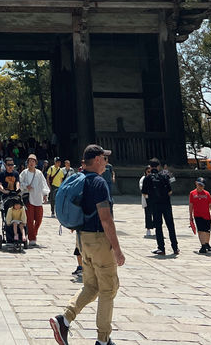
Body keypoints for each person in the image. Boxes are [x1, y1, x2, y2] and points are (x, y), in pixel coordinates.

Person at [50, 144, 125, 345]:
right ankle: (103, 339)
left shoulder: (80, 180)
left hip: (83, 240)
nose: (106, 163)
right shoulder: (99, 183)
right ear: (98, 159)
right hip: (100, 241)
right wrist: (117, 250)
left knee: (91, 286)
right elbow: (106, 219)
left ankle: (64, 319)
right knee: (108, 289)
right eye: (105, 159)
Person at [141, 158, 179, 256]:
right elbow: (170, 191)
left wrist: (152, 198)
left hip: (155, 205)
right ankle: (175, 247)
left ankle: (161, 248)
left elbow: (144, 194)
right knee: (170, 225)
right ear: (158, 166)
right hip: (166, 204)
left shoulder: (147, 178)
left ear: (150, 167)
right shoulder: (164, 176)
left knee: (158, 226)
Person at [19, 153, 49, 247]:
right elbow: (19, 183)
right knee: (30, 220)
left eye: (33, 161)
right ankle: (32, 238)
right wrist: (25, 186)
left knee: (39, 219)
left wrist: (45, 194)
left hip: (38, 198)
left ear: (36, 163)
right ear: (27, 163)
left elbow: (44, 184)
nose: (31, 163)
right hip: (28, 199)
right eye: (30, 161)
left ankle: (33, 233)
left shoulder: (39, 173)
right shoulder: (24, 173)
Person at [189, 177, 211, 254]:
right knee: (200, 231)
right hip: (197, 215)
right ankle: (203, 245)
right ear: (196, 183)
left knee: (207, 231)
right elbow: (191, 205)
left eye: (202, 185)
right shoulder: (192, 193)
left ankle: (207, 243)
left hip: (206, 215)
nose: (200, 187)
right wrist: (190, 215)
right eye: (199, 185)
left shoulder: (207, 194)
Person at [139, 165, 153, 238]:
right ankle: (148, 229)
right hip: (147, 198)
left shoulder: (154, 177)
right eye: (148, 171)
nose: (149, 173)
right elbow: (142, 188)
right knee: (148, 214)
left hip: (155, 198)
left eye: (151, 171)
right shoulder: (143, 179)